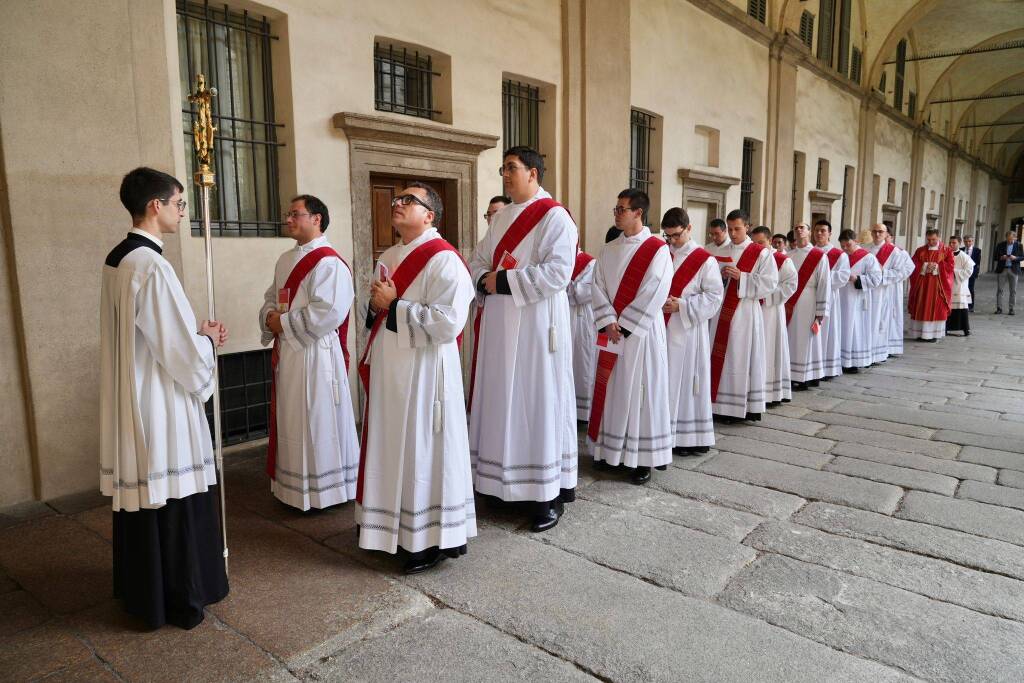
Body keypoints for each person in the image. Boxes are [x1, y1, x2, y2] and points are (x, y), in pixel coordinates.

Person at [100, 167, 228, 629]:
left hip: (135, 388)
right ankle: (180, 599)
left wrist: (192, 337)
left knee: (147, 498)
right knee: (171, 494)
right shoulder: (151, 264)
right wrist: (208, 342)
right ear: (156, 205)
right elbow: (176, 348)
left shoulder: (119, 257)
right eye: (179, 203)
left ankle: (144, 594)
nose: (181, 211)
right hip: (159, 399)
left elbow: (150, 332)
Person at [356, 182, 476, 574]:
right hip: (392, 367)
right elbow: (375, 310)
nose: (398, 204)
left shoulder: (445, 260)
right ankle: (388, 527)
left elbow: (449, 321)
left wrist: (394, 305)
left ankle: (429, 540)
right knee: (392, 446)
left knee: (423, 449)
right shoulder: (389, 255)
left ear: (430, 215)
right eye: (397, 199)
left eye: (409, 200)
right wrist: (376, 308)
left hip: (426, 372)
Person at [469, 146, 578, 532]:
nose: (505, 175)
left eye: (511, 168)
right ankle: (500, 484)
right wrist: (486, 278)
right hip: (500, 323)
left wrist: (502, 280)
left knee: (536, 402)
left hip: (536, 327)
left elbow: (558, 273)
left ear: (533, 173)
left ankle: (546, 494)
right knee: (501, 400)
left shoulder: (555, 218)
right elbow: (478, 259)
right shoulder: (501, 219)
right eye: (503, 169)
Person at [259, 195, 359, 511]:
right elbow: (271, 297)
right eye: (288, 214)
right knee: (291, 418)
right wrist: (268, 316)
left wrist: (282, 322)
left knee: (319, 420)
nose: (288, 219)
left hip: (317, 354)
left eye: (295, 214)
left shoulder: (330, 263)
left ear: (316, 218)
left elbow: (329, 312)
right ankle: (293, 487)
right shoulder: (284, 260)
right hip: (290, 354)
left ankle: (327, 490)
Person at [588, 190, 672, 484]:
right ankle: (611, 452)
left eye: (622, 208)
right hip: (613, 333)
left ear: (639, 212)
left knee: (640, 393)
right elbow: (595, 286)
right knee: (614, 390)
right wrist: (609, 320)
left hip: (641, 334)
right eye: (616, 207)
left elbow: (656, 288)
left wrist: (623, 323)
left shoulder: (657, 249)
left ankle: (642, 459)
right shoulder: (608, 249)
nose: (617, 213)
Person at [661, 207, 723, 455]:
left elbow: (715, 296)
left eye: (676, 235)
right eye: (668, 236)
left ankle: (688, 438)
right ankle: (665, 433)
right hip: (662, 326)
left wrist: (683, 305)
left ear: (688, 228)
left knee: (687, 382)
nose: (673, 241)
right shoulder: (662, 253)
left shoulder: (704, 259)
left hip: (687, 329)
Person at [708, 210, 778, 422]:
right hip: (721, 313)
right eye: (730, 229)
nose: (733, 233)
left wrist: (743, 277)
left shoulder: (760, 253)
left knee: (740, 356)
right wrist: (719, 276)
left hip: (746, 312)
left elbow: (770, 283)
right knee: (722, 355)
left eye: (737, 229)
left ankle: (741, 407)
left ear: (747, 227)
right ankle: (718, 405)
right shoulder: (720, 250)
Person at [751, 226, 796, 405]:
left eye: (761, 243)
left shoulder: (782, 261)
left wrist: (766, 294)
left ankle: (772, 392)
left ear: (770, 241)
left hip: (771, 310)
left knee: (771, 347)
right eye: (755, 243)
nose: (758, 246)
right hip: (754, 309)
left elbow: (791, 285)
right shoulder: (752, 257)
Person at [785, 222, 830, 390]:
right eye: (796, 227)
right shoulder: (789, 255)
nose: (798, 230)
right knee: (790, 337)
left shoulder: (819, 255)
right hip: (790, 300)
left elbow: (824, 283)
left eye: (802, 227)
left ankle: (808, 376)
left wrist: (821, 310)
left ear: (809, 232)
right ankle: (791, 373)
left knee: (807, 339)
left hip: (809, 300)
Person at [864, 224, 914, 363]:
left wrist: (882, 273)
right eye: (874, 231)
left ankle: (880, 349)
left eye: (881, 231)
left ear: (886, 234)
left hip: (885, 290)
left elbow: (903, 270)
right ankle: (866, 348)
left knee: (882, 319)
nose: (877, 234)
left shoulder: (895, 252)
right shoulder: (865, 248)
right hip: (867, 289)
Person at [837, 229, 883, 372]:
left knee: (854, 329)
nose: (845, 249)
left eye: (848, 245)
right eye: (842, 245)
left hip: (856, 299)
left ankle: (853, 362)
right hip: (839, 298)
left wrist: (857, 279)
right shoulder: (841, 256)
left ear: (856, 241)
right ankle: (839, 359)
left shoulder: (867, 257)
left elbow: (876, 278)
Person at [812, 220, 850, 380]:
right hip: (810, 298)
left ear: (830, 233)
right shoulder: (809, 251)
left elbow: (844, 276)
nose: (819, 233)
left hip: (830, 298)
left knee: (828, 331)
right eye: (817, 230)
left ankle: (827, 368)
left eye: (823, 230)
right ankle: (812, 366)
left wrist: (822, 279)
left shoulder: (839, 254)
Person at [909, 228, 955, 342]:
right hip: (922, 286)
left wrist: (937, 266)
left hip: (938, 287)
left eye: (933, 239)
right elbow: (912, 264)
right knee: (921, 306)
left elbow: (950, 266)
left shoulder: (946, 251)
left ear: (939, 237)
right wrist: (924, 267)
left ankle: (934, 335)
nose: (930, 242)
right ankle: (919, 333)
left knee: (937, 309)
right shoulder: (920, 250)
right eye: (928, 239)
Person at [568, 245, 597, 421]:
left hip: (581, 318)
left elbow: (588, 291)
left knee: (582, 361)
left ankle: (582, 414)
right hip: (563, 315)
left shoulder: (589, 263)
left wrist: (568, 287)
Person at [945, 235, 973, 337]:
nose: (951, 245)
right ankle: (945, 328)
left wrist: (954, 272)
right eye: (950, 243)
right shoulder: (945, 255)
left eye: (954, 243)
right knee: (947, 308)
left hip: (959, 286)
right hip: (947, 286)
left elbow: (969, 271)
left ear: (959, 243)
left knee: (962, 308)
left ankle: (966, 329)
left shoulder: (964, 256)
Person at [993, 230, 1022, 315]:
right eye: (1008, 239)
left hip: (1014, 270)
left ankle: (1011, 309)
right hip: (1002, 269)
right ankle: (999, 308)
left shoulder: (1019, 245)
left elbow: (1022, 257)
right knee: (1000, 290)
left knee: (1013, 291)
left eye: (1012, 239)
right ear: (1006, 238)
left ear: (1015, 238)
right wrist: (1002, 257)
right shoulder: (1000, 245)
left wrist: (1015, 258)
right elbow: (995, 257)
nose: (1010, 241)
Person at [963, 235, 981, 311]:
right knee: (962, 289)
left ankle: (970, 306)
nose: (968, 243)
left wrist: (975, 274)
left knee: (970, 289)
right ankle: (963, 304)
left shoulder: (977, 250)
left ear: (972, 241)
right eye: (966, 241)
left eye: (969, 241)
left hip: (971, 273)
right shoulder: (961, 250)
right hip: (962, 273)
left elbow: (977, 263)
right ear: (964, 242)